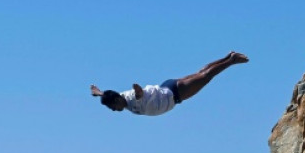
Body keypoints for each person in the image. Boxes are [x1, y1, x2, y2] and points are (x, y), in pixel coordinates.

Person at [90, 51, 248, 116]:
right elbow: (108, 95)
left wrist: (138, 90)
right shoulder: (121, 97)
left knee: (206, 77)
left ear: (117, 100)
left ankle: (231, 61)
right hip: (167, 87)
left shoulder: (131, 98)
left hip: (174, 94)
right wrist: (99, 93)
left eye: (112, 107)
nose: (114, 111)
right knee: (201, 73)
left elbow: (139, 94)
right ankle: (229, 56)